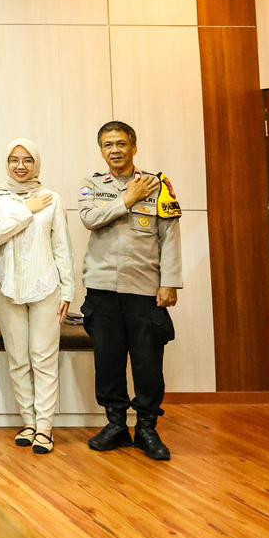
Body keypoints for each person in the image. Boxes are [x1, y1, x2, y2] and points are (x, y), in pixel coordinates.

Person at [78, 121, 182, 461]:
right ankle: (116, 424)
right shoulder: (91, 185)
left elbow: (169, 236)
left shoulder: (158, 185)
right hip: (103, 288)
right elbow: (90, 219)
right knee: (108, 360)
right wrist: (127, 199)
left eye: (121, 143)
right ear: (101, 150)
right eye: (108, 145)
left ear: (134, 146)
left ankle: (148, 428)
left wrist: (169, 282)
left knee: (148, 362)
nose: (115, 150)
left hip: (144, 290)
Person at [0, 138, 74, 455]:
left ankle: (45, 428)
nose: (20, 166)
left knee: (44, 358)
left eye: (27, 160)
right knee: (18, 359)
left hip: (46, 285)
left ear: (37, 164)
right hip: (6, 285)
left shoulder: (51, 198)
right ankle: (29, 422)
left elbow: (61, 245)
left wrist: (68, 289)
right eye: (14, 160)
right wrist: (25, 211)